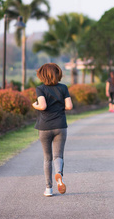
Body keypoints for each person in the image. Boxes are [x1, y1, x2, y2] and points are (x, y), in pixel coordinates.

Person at [32, 63, 73, 197]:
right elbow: (69, 106)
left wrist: (35, 105)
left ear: (42, 75)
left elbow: (42, 106)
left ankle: (49, 189)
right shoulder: (63, 88)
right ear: (58, 74)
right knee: (58, 156)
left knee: (47, 158)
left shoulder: (40, 89)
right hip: (60, 125)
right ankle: (59, 174)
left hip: (44, 127)